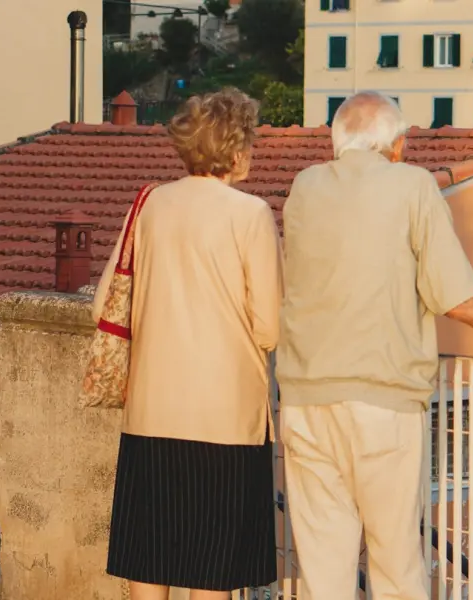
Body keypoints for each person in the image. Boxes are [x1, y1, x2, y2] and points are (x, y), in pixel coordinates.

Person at [276, 91, 473, 600]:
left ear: (338, 143)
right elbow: (461, 300)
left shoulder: (304, 188)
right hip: (383, 404)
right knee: (397, 567)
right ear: (398, 146)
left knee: (322, 576)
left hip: (305, 403)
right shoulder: (412, 186)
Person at [92, 88, 282, 600]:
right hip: (225, 417)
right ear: (236, 148)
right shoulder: (252, 214)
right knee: (211, 570)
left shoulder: (150, 203)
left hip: (151, 410)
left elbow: (102, 304)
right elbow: (268, 326)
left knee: (150, 559)